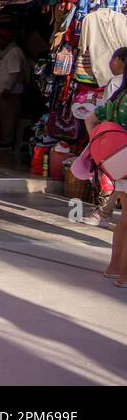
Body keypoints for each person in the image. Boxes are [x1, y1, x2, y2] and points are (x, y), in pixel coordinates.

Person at [91, 76, 127, 285]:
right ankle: (124, 276)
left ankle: (114, 267)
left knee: (124, 220)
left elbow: (90, 119)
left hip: (119, 163)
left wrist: (98, 151)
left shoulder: (117, 96)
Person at [86, 47, 127, 227]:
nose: (111, 63)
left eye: (113, 59)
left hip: (117, 153)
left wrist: (97, 146)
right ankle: (104, 213)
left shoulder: (117, 91)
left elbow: (91, 118)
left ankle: (104, 213)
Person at [0, 26, 28, 148]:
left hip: (7, 92)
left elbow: (14, 73)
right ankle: (0, 138)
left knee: (7, 118)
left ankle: (6, 141)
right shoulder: (1, 50)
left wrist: (8, 89)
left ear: (4, 39)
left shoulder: (14, 52)